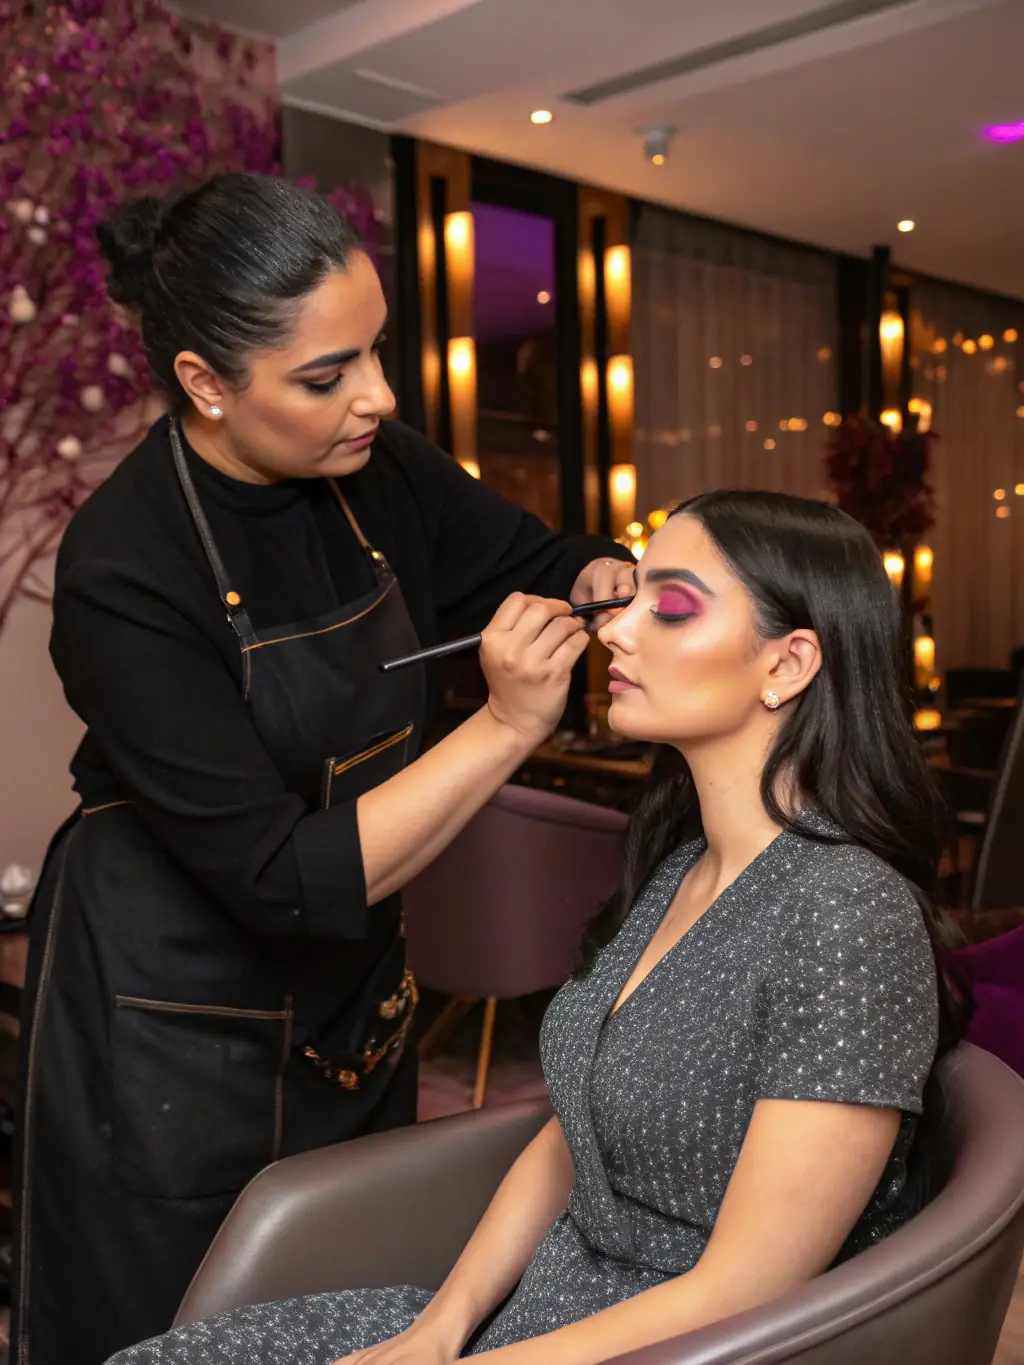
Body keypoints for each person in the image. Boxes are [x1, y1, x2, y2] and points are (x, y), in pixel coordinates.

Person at [108, 489, 967, 1365]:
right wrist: (436, 1330)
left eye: (668, 607)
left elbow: (747, 1289)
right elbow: (571, 1136)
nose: (616, 630)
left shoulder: (847, 913)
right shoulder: (680, 868)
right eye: (629, 595)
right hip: (538, 1319)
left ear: (788, 665)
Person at [13, 172, 635, 1365]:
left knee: (354, 1292)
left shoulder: (381, 466)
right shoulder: (125, 570)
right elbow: (283, 878)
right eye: (325, 375)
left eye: (376, 354)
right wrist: (505, 727)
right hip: (164, 1012)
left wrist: (612, 580)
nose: (378, 397)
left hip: (349, 992)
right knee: (179, 1323)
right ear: (203, 382)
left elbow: (542, 558)